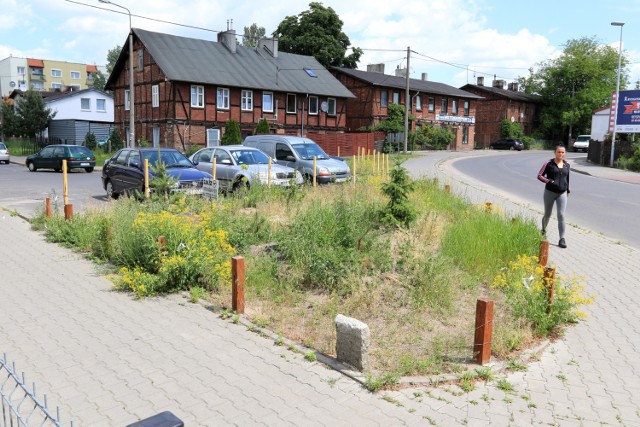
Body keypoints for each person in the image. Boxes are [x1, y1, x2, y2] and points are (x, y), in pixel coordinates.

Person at [537, 145, 570, 248]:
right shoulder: (548, 163)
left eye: (562, 152)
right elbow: (539, 175)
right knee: (547, 214)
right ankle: (543, 230)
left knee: (561, 215)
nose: (561, 154)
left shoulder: (567, 165)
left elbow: (567, 178)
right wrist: (548, 181)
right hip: (550, 192)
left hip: (562, 193)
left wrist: (568, 190)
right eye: (559, 152)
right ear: (555, 152)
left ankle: (562, 239)